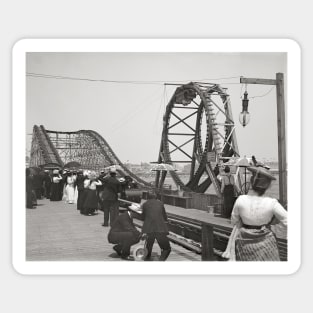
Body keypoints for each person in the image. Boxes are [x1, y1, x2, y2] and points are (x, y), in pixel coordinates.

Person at [223, 166, 287, 261]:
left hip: (244, 245)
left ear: (252, 182)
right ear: (268, 186)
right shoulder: (272, 203)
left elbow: (234, 220)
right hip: (266, 245)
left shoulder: (241, 200)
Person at [141, 191, 171, 261]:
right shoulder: (160, 203)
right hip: (159, 228)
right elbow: (164, 215)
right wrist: (166, 220)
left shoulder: (145, 204)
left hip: (149, 228)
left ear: (147, 197)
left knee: (149, 242)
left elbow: (143, 217)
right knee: (167, 248)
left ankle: (147, 258)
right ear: (156, 196)